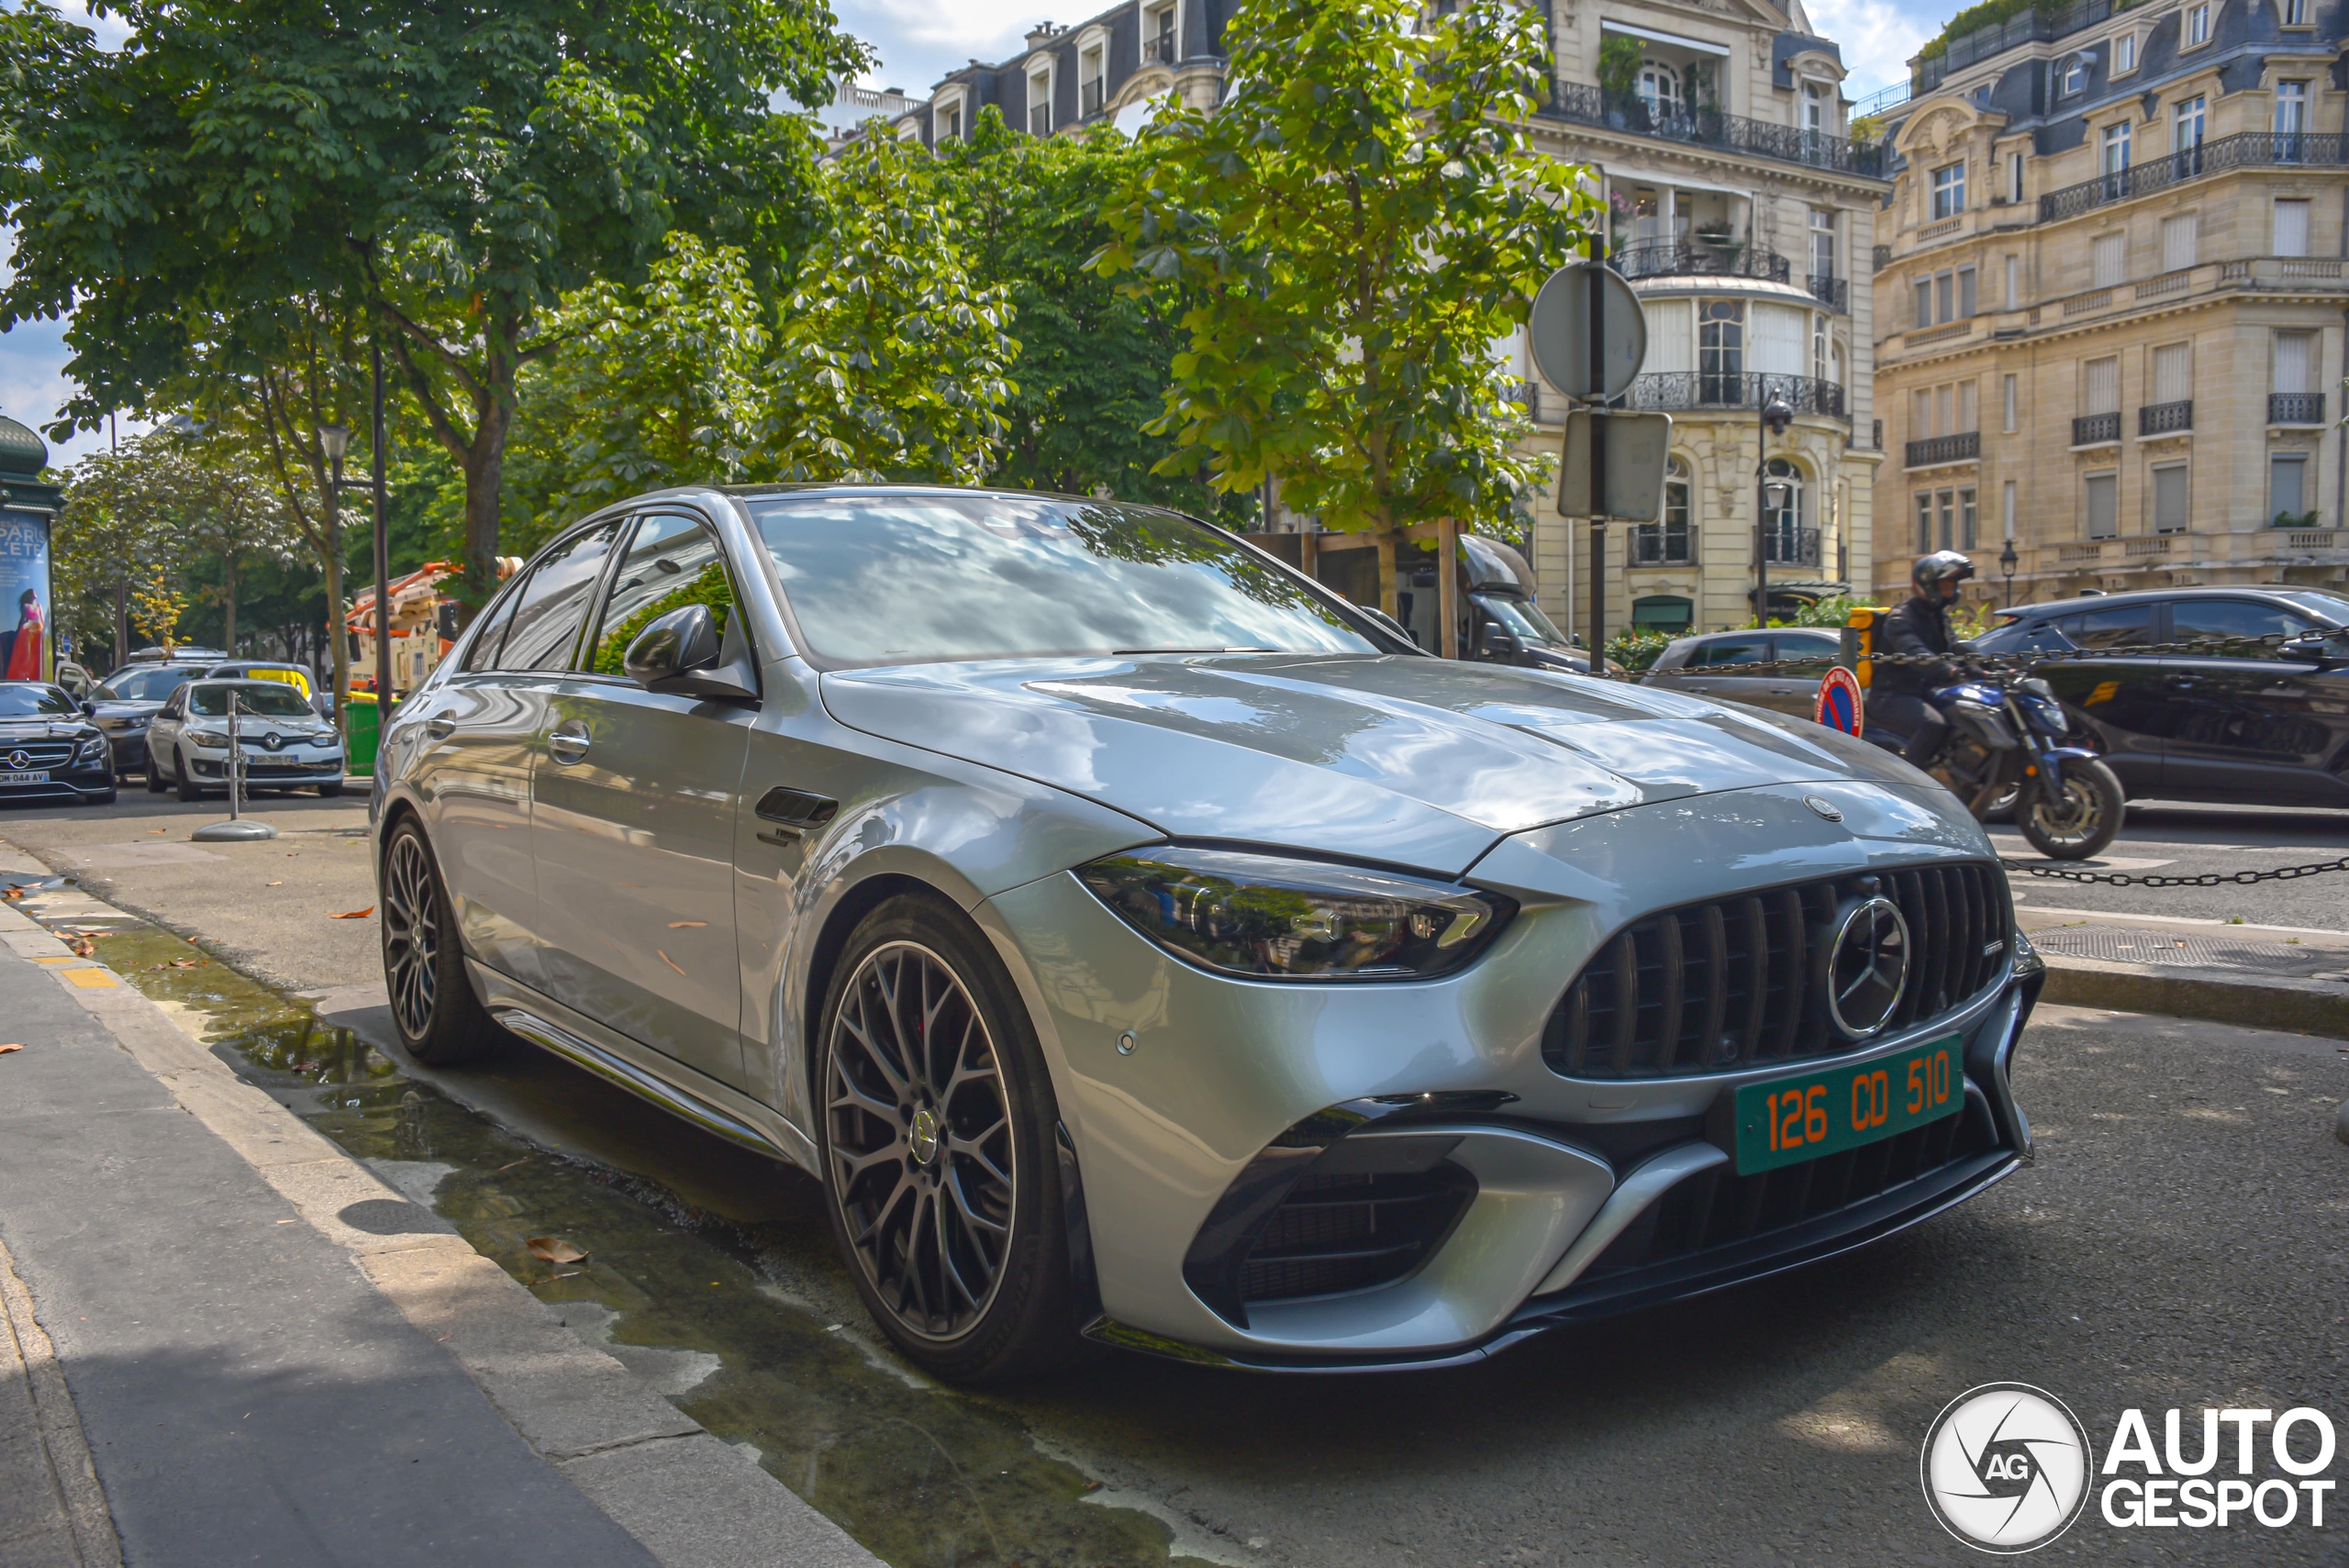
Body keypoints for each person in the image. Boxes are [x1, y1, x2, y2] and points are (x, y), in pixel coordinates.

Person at [1865, 551, 1974, 766]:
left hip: (1924, 693)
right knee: (1933, 724)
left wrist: (1982, 669)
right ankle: (1912, 781)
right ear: (1928, 585)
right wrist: (1949, 671)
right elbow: (1915, 652)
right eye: (1945, 585)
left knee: (1967, 714)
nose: (1950, 591)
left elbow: (1956, 649)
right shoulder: (1899, 619)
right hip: (1892, 695)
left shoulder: (1940, 619)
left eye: (1952, 585)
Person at [4, 590, 43, 683]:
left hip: (38, 630)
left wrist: (44, 632)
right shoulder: (26, 606)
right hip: (28, 629)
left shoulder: (39, 606)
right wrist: (18, 630)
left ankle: (35, 674)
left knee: (36, 653)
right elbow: (22, 619)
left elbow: (41, 619)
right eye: (33, 592)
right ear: (30, 595)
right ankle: (25, 673)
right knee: (26, 653)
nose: (36, 593)